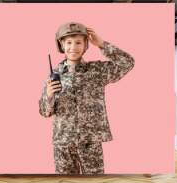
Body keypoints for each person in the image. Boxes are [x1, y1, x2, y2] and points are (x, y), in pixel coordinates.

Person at [39, 22, 135, 174]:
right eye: (69, 42)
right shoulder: (54, 75)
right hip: (63, 141)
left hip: (90, 141)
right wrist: (49, 96)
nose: (73, 47)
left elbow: (127, 62)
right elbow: (45, 112)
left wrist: (102, 44)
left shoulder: (97, 71)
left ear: (85, 45)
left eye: (78, 42)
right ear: (62, 45)